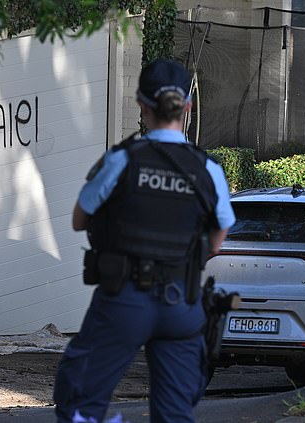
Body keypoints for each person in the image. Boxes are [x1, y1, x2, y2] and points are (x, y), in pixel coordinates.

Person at [53, 59, 236, 423]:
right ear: (187, 106)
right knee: (174, 415)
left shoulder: (123, 160)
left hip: (123, 302)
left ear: (141, 103)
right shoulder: (209, 169)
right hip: (181, 305)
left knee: (80, 404)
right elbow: (217, 239)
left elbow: (79, 219)